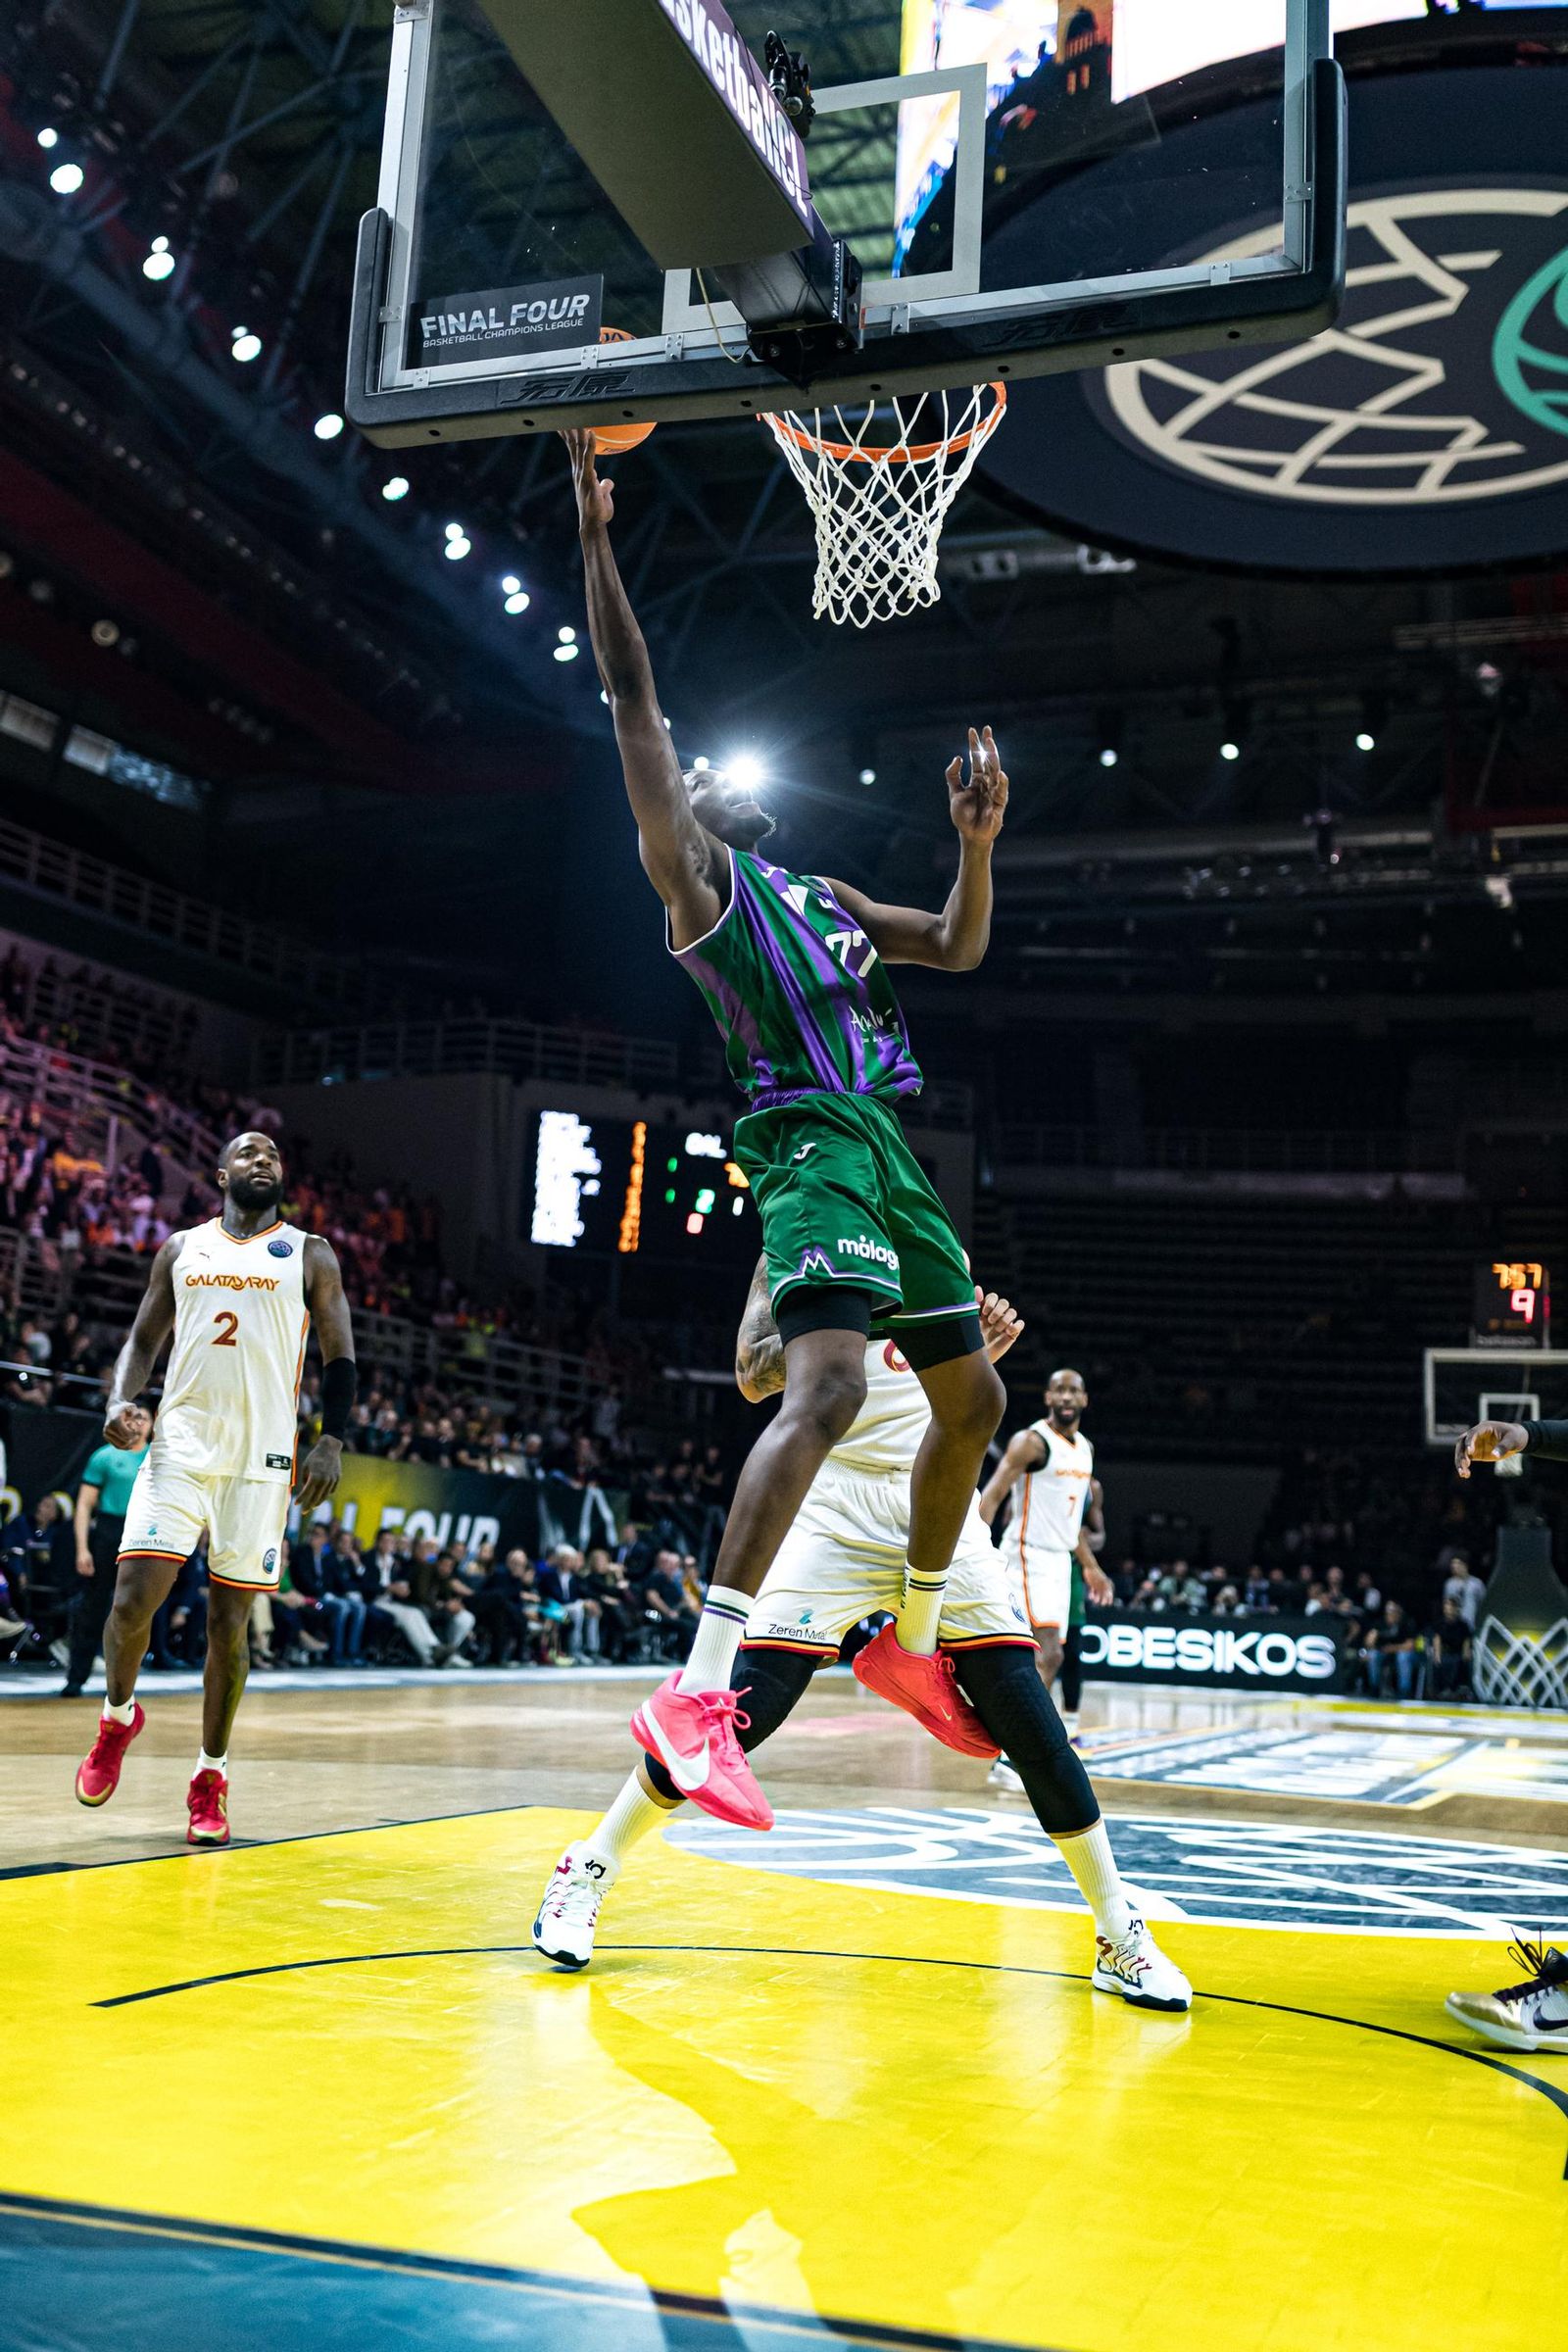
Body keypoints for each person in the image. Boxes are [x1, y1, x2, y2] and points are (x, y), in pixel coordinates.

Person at [566, 429, 1009, 1831]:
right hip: (805, 1135)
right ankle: (699, 1690)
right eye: (701, 775)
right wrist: (596, 533)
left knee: (975, 1402)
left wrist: (977, 845)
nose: (721, 776)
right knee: (821, 1396)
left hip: (887, 1146)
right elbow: (635, 697)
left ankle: (916, 1647)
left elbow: (955, 944)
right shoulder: (697, 883)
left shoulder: (824, 894)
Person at [534, 1262, 1189, 2010]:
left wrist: (965, 1351)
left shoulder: (931, 1239)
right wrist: (859, 1327)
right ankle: (589, 1866)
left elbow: (944, 1391)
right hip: (834, 1507)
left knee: (1029, 1723)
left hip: (934, 1497)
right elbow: (753, 1375)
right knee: (740, 1712)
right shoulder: (803, 1235)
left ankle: (1118, 1933)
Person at [71, 1131, 356, 1845]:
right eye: (249, 1153)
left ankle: (210, 1776)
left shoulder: (311, 1253)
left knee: (228, 1629)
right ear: (222, 1173)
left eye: (273, 1155)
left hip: (260, 1461)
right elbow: (142, 1340)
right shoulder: (182, 1248)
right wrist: (120, 1400)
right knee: (130, 1602)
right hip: (181, 1447)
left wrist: (331, 1438)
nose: (264, 1160)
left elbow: (340, 1356)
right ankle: (117, 1718)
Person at [978, 1369, 1108, 1765]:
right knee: (1047, 1654)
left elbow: (1071, 1524)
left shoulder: (1085, 1449)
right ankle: (1016, 1753)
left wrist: (1090, 1566)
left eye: (1073, 1391)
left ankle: (1020, 1744)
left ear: (1084, 1399)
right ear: (1048, 1397)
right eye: (1059, 1390)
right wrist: (974, 1547)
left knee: (1046, 1657)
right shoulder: (1031, 1442)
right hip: (1026, 1554)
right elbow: (993, 1494)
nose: (1066, 1397)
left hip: (1059, 1561)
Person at [1441, 1552, 1486, 1631]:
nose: (1454, 1567)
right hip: (1454, 1626)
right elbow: (1447, 1605)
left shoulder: (1476, 1583)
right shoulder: (1449, 1584)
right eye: (1453, 1564)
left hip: (1472, 1623)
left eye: (1458, 1563)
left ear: (1465, 1565)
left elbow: (1483, 1604)